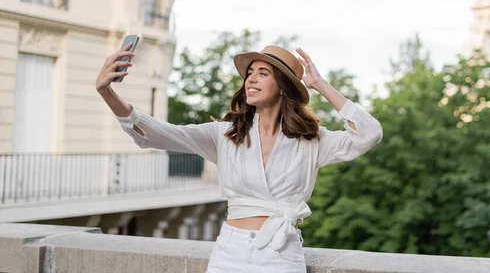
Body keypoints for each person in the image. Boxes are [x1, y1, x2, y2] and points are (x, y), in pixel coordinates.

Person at [96, 43, 383, 272]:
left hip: (282, 254)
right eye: (250, 72)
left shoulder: (312, 140)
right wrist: (107, 92)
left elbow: (369, 134)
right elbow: (158, 133)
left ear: (283, 86)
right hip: (229, 252)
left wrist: (319, 84)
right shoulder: (225, 135)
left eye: (263, 73)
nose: (251, 79)